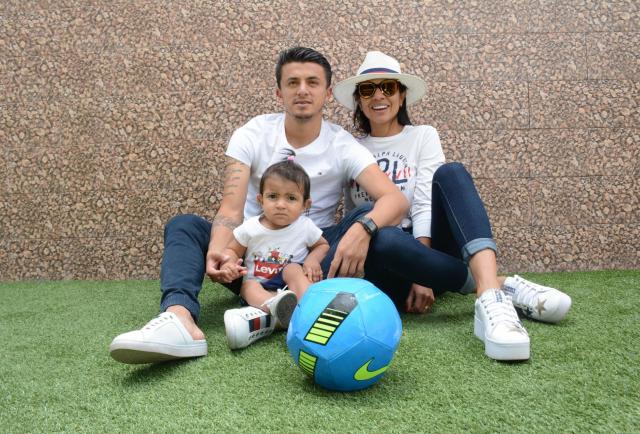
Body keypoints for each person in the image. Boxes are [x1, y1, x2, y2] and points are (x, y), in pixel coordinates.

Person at [108, 46, 408, 364]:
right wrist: (222, 252)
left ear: (328, 93)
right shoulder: (253, 133)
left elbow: (395, 199)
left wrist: (363, 230)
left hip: (311, 260)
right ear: (279, 92)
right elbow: (231, 209)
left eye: (312, 82)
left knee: (364, 214)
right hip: (252, 257)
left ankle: (271, 314)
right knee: (184, 226)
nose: (302, 90)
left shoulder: (342, 143)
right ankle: (180, 320)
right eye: (292, 82)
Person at [332, 51, 572, 361]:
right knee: (385, 238)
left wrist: (423, 274)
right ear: (359, 100)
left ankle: (490, 298)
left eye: (388, 87)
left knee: (452, 173)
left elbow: (423, 203)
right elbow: (351, 214)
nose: (378, 96)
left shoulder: (422, 136)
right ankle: (500, 286)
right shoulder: (351, 147)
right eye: (368, 89)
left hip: (430, 249)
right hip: (385, 261)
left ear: (402, 96)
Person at [220, 157, 329, 350]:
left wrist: (312, 259)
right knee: (248, 286)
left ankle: (307, 310)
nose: (280, 204)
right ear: (260, 200)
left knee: (294, 268)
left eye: (291, 198)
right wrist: (229, 264)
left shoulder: (305, 227)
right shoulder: (250, 227)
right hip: (260, 288)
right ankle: (276, 311)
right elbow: (232, 250)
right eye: (273, 196)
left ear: (305, 205)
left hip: (291, 288)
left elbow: (322, 245)